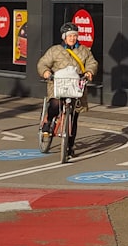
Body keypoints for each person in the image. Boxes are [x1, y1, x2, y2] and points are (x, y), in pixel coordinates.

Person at [37, 22, 98, 158]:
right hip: (57, 84)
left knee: (73, 116)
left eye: (74, 36)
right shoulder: (55, 50)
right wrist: (46, 72)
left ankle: (70, 147)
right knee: (55, 103)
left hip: (75, 87)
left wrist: (89, 72)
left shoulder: (84, 50)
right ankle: (48, 121)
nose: (72, 38)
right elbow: (43, 63)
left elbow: (92, 62)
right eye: (69, 36)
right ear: (64, 37)